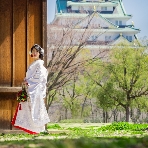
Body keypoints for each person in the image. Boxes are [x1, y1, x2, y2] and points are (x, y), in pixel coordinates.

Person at [11, 44, 50, 134]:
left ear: (40, 53)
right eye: (33, 51)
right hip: (32, 88)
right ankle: (36, 129)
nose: (34, 53)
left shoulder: (39, 64)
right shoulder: (35, 63)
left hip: (35, 90)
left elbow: (39, 77)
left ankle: (39, 129)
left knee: (36, 109)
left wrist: (28, 82)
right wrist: (27, 81)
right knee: (32, 109)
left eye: (36, 51)